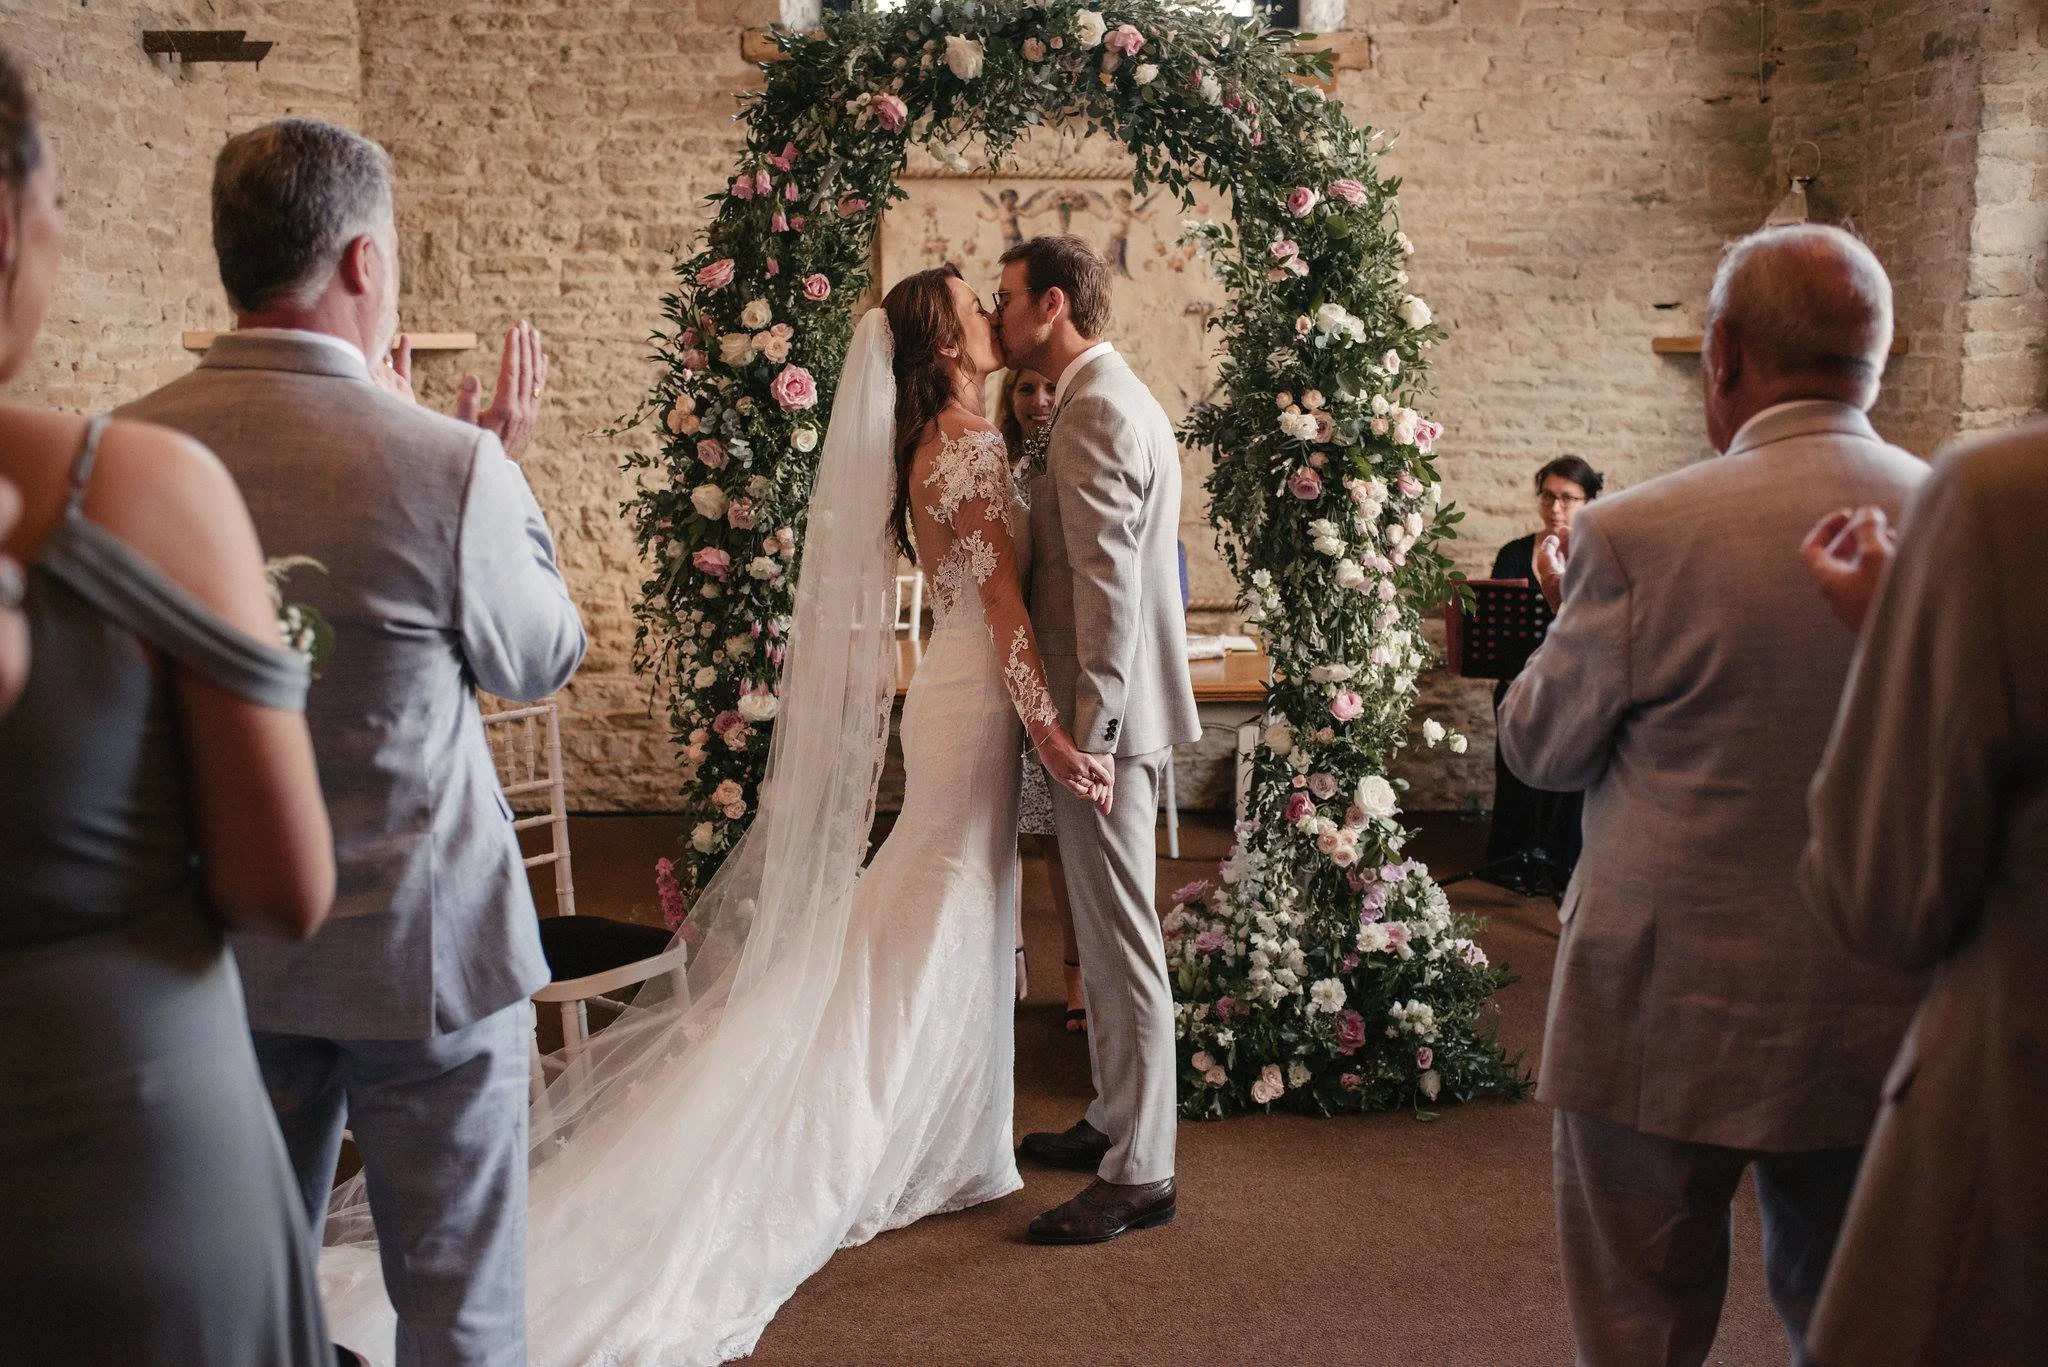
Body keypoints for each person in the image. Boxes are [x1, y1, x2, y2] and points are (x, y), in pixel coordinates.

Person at [320, 267, 1110, 1363]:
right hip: (974, 698)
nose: (989, 311)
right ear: (945, 338)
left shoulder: (949, 441)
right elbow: (1008, 611)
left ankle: (960, 1132)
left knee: (945, 897)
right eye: (975, 302)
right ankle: (883, 1130)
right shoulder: (962, 449)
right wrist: (1058, 737)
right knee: (940, 901)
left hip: (950, 696)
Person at [119, 117, 585, 1365]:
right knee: (460, 1309)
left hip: (221, 957)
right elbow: (538, 658)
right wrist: (498, 472)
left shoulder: (123, 455)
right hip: (423, 954)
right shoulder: (445, 466)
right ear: (366, 263)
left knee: (248, 1307)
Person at [1497, 223, 1932, 1366]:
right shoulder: (1953, 517)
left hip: (1658, 1002)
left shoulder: (1636, 531)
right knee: (1855, 1318)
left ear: (1722, 352)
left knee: (1639, 1318)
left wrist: (1554, 627)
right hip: (1877, 994)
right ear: (1878, 354)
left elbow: (1539, 749)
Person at [0, 47, 338, 1363]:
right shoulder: (127, 485)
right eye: (54, 208)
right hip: (122, 1150)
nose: (64, 238)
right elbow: (282, 885)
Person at [1794, 422, 2048, 1365]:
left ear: (1724, 361)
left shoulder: (2003, 498)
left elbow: (1883, 896)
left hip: (2016, 1134)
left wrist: (1908, 630)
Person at [999, 234, 1202, 1245]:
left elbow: (1113, 591)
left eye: (1004, 301)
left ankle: (1143, 1171)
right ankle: (1115, 1117)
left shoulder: (1094, 411)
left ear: (1048, 306)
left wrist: (1095, 734)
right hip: (1100, 719)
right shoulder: (1102, 397)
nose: (995, 321)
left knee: (1123, 944)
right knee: (1101, 926)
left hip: (1102, 727)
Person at [999, 363, 1089, 1030]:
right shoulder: (1000, 469)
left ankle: (1078, 976)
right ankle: (1011, 957)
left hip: (1057, 675)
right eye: (1026, 388)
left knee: (1061, 837)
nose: (1039, 399)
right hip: (1002, 671)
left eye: (1048, 386)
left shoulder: (1077, 460)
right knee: (1004, 826)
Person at [1484, 455, 1603, 891]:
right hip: (1519, 681)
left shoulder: (1596, 556)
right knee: (1514, 766)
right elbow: (1493, 628)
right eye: (1549, 496)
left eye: (1568, 499)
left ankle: (1558, 860)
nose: (1555, 508)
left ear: (1588, 502)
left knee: (1567, 774)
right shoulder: (1515, 554)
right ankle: (1512, 858)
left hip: (1573, 685)